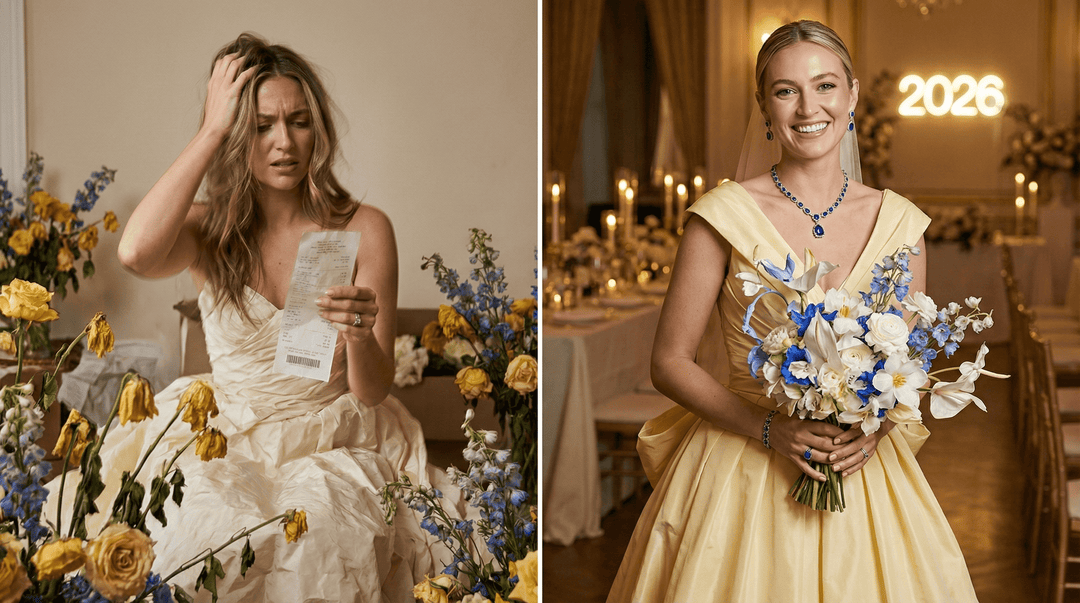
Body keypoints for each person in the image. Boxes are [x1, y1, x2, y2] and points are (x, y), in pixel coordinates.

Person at [50, 33, 454, 602]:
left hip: (333, 436)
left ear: (320, 129)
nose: (283, 142)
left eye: (298, 121)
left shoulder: (364, 228)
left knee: (321, 541)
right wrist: (212, 128)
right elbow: (135, 253)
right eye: (261, 125)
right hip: (224, 437)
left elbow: (370, 391)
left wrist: (358, 334)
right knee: (190, 538)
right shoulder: (207, 230)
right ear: (238, 136)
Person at [606, 20, 979, 602]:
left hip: (860, 474)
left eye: (825, 86)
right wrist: (768, 428)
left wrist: (874, 430)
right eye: (786, 90)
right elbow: (670, 361)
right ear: (765, 107)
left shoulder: (902, 224)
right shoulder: (720, 216)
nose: (809, 107)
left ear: (852, 96)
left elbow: (908, 364)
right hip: (741, 466)